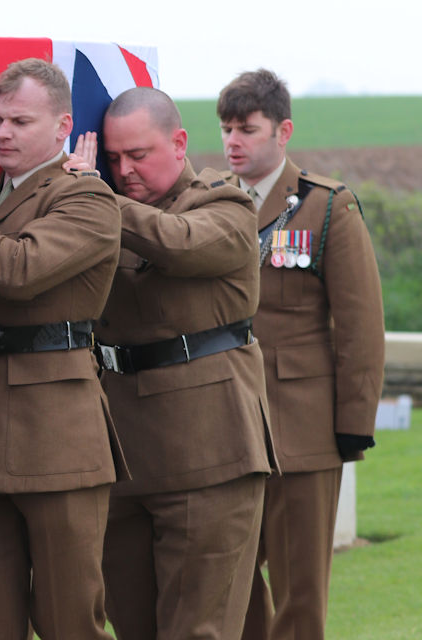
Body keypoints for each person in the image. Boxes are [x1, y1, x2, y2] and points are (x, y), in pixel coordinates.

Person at [0, 57, 124, 640]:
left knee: (69, 617)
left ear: (63, 126)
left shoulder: (87, 198)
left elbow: (19, 270)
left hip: (54, 431)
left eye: (20, 120)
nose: (3, 133)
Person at [93, 86, 275, 640]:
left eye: (138, 155)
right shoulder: (102, 213)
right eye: (113, 158)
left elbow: (178, 243)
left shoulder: (225, 203)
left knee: (198, 628)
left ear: (179, 143)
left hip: (209, 448)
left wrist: (91, 195)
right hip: (122, 449)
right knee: (134, 625)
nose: (124, 170)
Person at [217, 69, 385, 640]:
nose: (234, 141)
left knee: (300, 596)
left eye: (248, 129)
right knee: (228, 588)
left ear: (283, 131)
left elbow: (361, 329)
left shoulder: (327, 207)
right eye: (226, 129)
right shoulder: (210, 202)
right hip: (225, 427)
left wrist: (352, 426)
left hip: (301, 430)